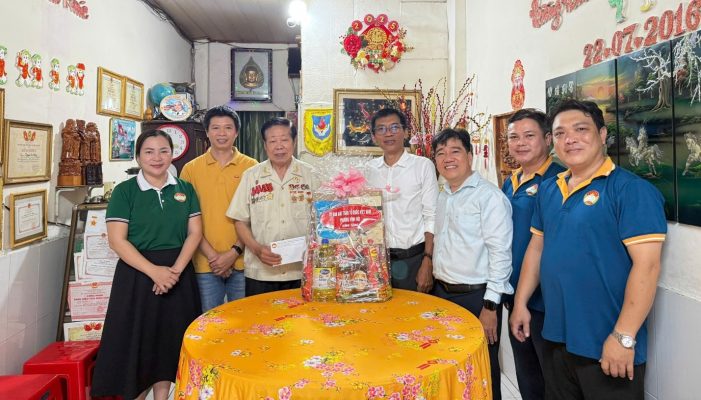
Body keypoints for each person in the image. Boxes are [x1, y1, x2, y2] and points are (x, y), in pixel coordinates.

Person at [510, 100, 666, 400]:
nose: (570, 139)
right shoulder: (550, 189)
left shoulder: (631, 190)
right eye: (560, 133)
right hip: (556, 338)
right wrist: (520, 303)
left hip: (607, 343)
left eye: (581, 129)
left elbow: (647, 267)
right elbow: (536, 249)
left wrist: (623, 336)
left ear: (602, 134)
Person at [91, 130, 203, 400]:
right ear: (138, 157)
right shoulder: (125, 191)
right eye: (149, 152)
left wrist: (174, 272)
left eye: (164, 151)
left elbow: (195, 233)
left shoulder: (185, 189)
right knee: (138, 345)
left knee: (170, 343)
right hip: (137, 277)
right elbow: (117, 241)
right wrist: (155, 272)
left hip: (179, 274)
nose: (157, 157)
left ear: (172, 154)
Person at [431, 128, 513, 400]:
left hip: (476, 298)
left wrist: (490, 307)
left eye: (455, 151)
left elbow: (501, 253)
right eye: (440, 153)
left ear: (470, 155)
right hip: (443, 294)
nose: (448, 158)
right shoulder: (444, 194)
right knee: (450, 366)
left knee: (482, 369)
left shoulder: (489, 197)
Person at [501, 108, 565, 400]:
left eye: (529, 135)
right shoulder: (510, 180)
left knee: (551, 378)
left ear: (548, 139)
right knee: (527, 375)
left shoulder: (559, 179)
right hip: (515, 294)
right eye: (514, 137)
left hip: (545, 300)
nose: (521, 143)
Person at [228, 117, 317, 296]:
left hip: (302, 271)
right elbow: (240, 220)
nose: (279, 146)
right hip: (260, 273)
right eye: (273, 141)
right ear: (265, 145)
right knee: (259, 315)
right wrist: (257, 249)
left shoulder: (311, 175)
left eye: (284, 139)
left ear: (294, 142)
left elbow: (323, 220)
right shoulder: (251, 176)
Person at [181, 106, 258, 310]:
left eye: (228, 128)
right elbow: (186, 217)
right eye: (215, 128)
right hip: (205, 264)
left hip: (243, 262)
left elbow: (257, 216)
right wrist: (214, 258)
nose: (221, 133)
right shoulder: (191, 169)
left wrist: (233, 253)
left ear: (237, 132)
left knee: (244, 320)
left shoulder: (252, 167)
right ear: (207, 132)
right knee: (207, 321)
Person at [366, 107, 438, 292]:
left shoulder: (423, 166)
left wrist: (428, 260)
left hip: (414, 259)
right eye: (381, 129)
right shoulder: (368, 170)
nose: (388, 133)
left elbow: (431, 215)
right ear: (374, 136)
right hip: (377, 260)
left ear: (406, 132)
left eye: (394, 127)